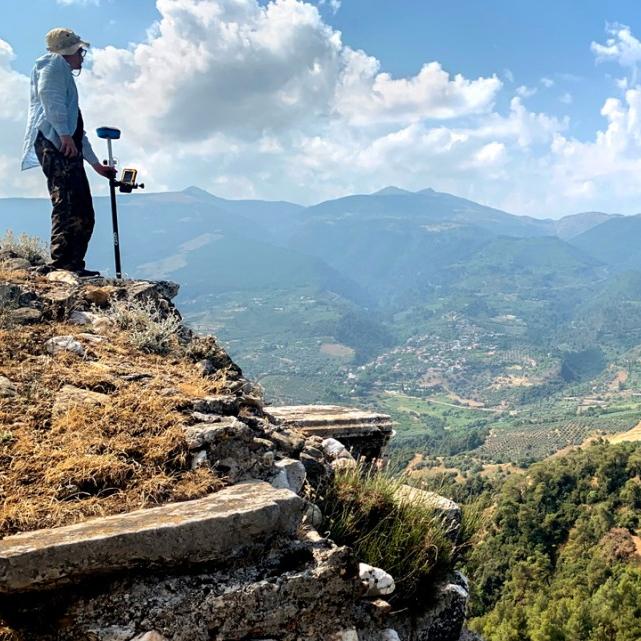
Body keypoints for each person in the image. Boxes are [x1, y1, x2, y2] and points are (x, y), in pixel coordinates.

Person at [20, 28, 114, 277]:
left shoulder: (61, 72)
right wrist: (62, 134)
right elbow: (49, 98)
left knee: (80, 206)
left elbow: (77, 131)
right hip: (55, 143)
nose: (82, 56)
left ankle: (72, 263)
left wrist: (95, 165)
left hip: (61, 142)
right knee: (68, 203)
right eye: (79, 51)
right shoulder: (53, 65)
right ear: (69, 51)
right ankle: (63, 263)